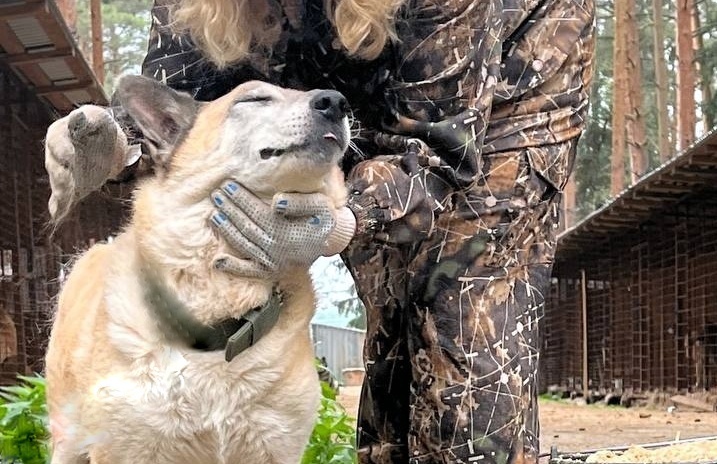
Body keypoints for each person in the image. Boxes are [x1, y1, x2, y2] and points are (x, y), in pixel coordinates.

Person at [45, 0, 595, 462]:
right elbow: (181, 105)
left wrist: (342, 221)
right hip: (339, 111)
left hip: (501, 107)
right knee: (397, 345)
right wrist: (114, 138)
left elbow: (441, 148)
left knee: (461, 344)